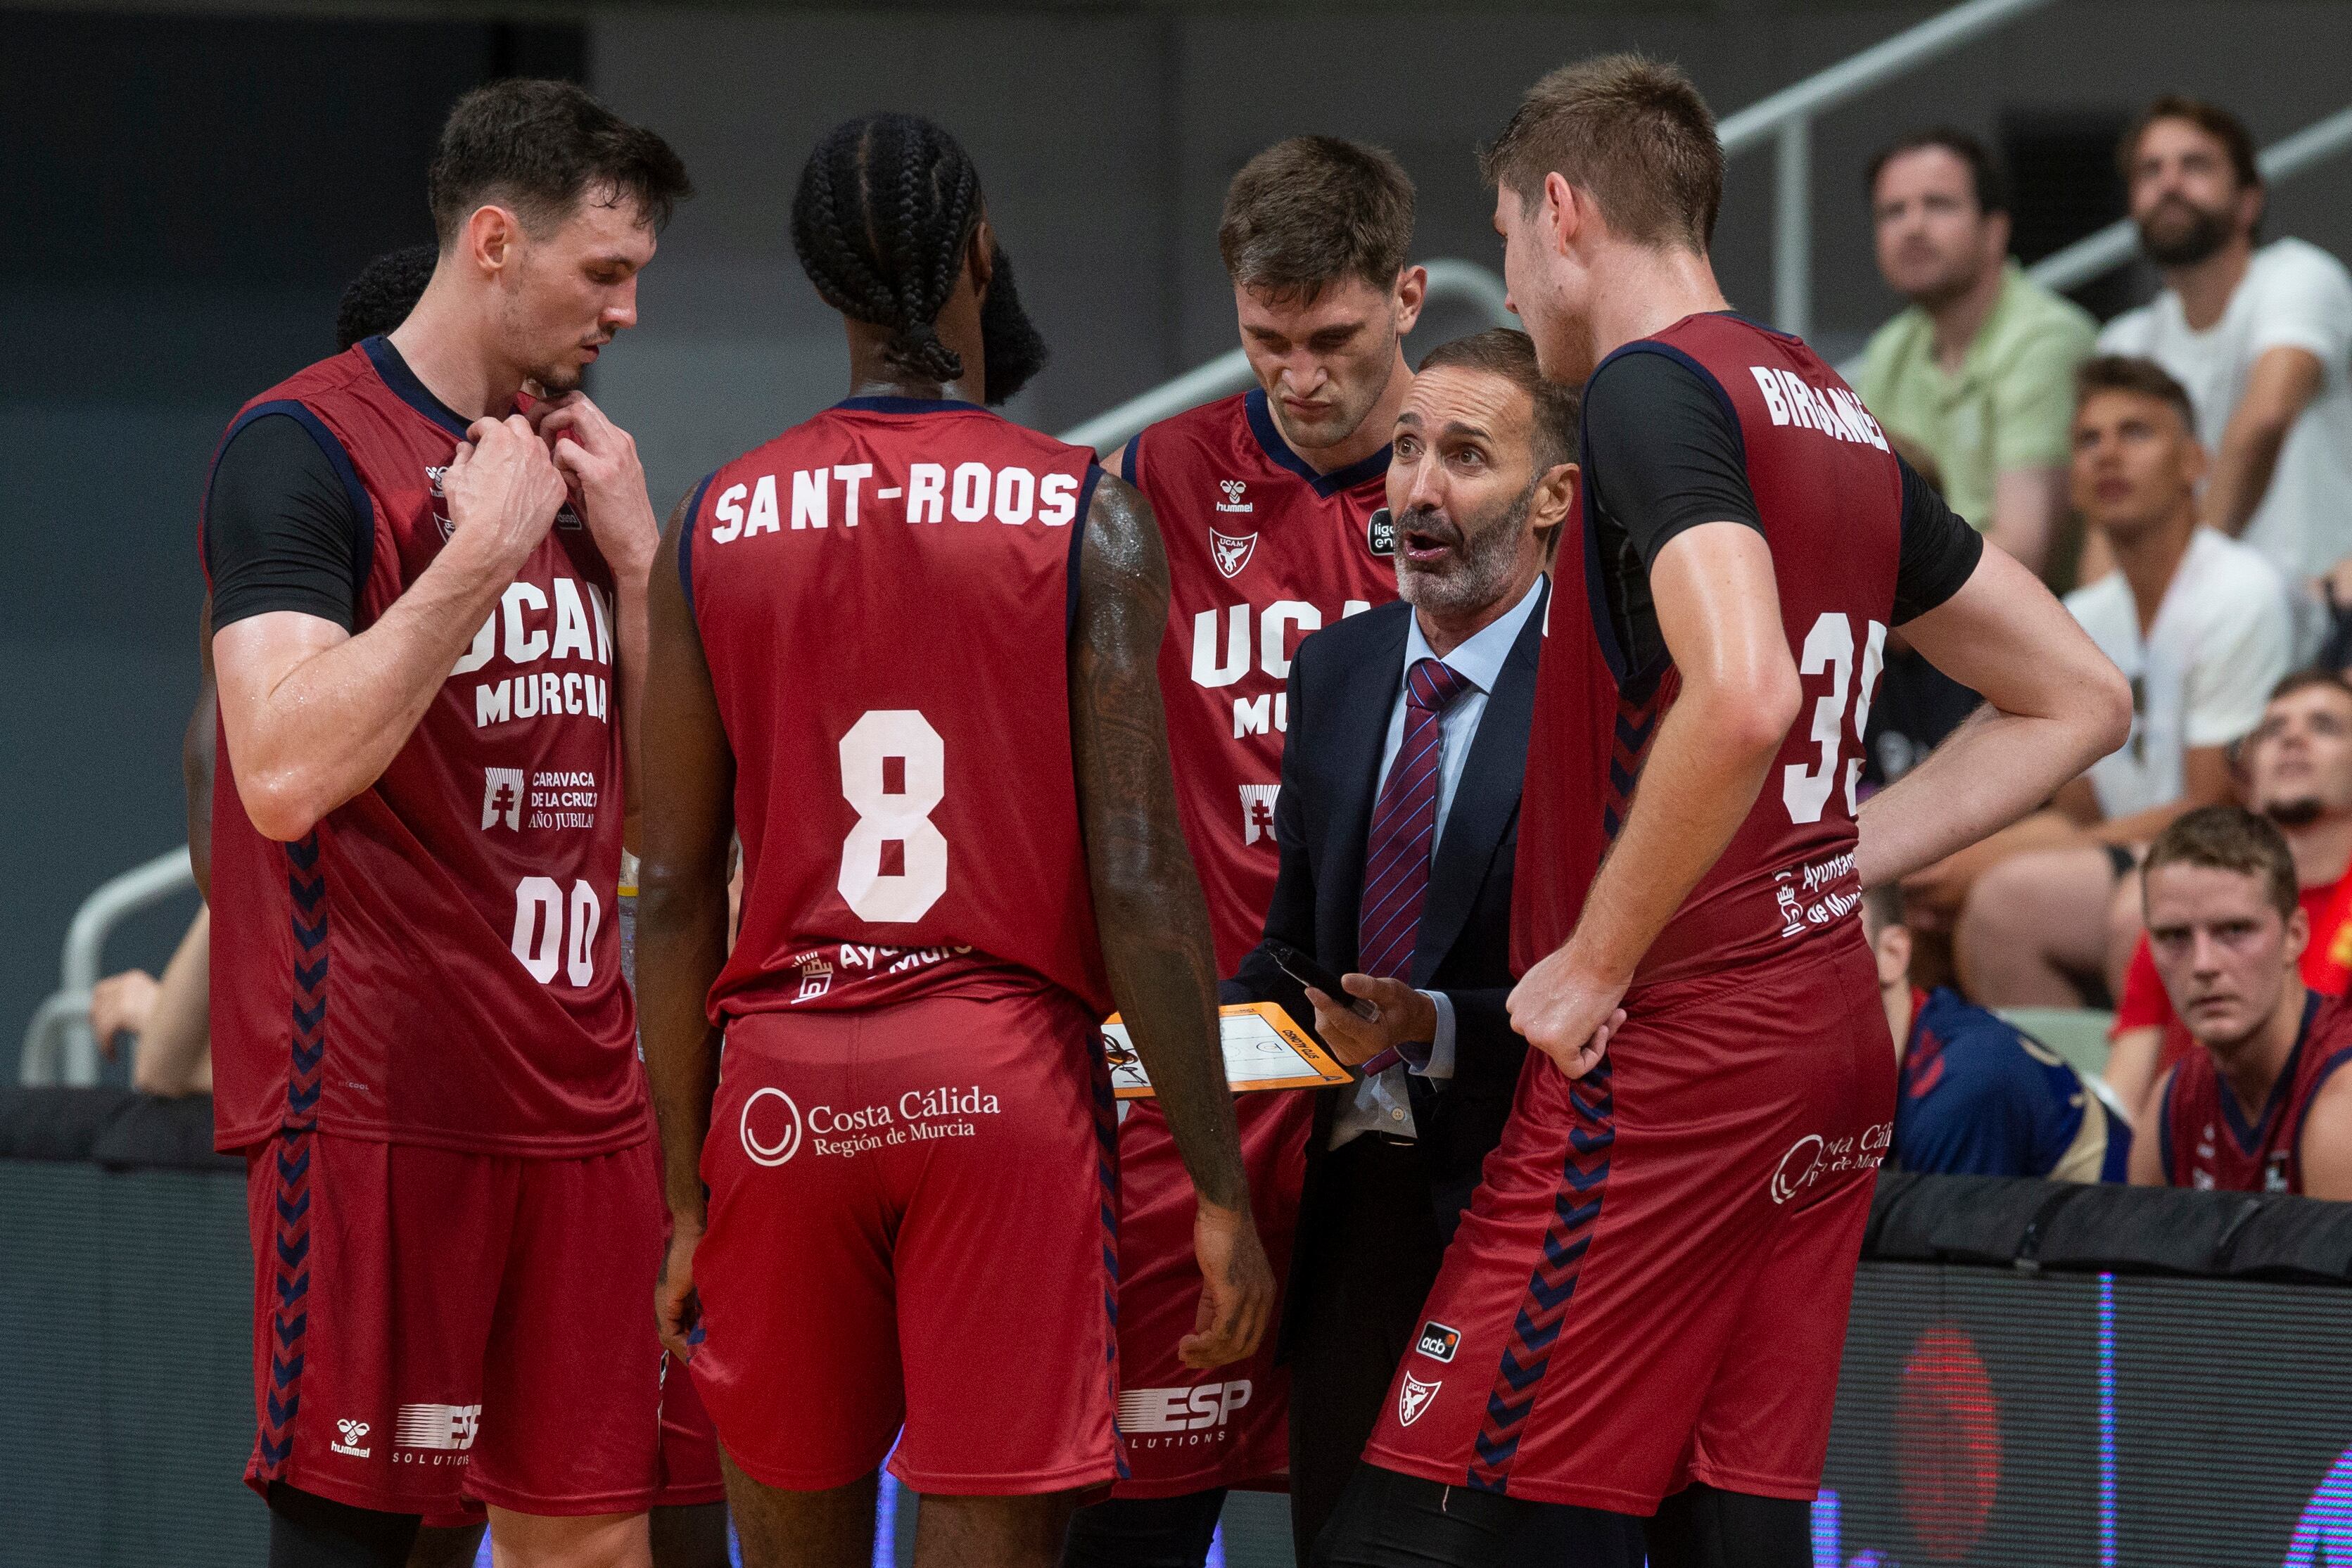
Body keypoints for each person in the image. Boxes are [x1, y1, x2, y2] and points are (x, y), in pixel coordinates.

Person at [1316, 54, 2128, 1568]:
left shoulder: (1645, 385)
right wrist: (1834, 858)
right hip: (1827, 1041)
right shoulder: (1825, 397)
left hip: (1678, 1051)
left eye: (1503, 234)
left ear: (1561, 210)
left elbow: (1746, 690)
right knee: (1726, 1508)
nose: (1507, 273)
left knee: (1411, 1526)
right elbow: (2081, 693)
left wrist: (1598, 954)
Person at [634, 113, 1273, 1568]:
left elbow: (669, 890)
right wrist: (1219, 1184)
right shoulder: (1083, 513)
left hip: (783, 1090)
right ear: (980, 251)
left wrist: (683, 1195)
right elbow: (1139, 877)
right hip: (996, 1081)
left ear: (822, 286)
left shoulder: (716, 517)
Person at [204, 80, 698, 1568]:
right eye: (602, 274)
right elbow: (282, 766)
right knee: (358, 1540)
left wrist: (637, 571)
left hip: (582, 1100)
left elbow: (679, 812)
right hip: (381, 1101)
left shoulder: (571, 469)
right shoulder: (299, 444)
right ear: (494, 241)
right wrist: (474, 559)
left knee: (596, 1545)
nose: (625, 314)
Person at [1214, 329, 1638, 1564]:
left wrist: (1434, 1023)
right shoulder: (1336, 669)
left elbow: (1628, 985)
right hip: (1356, 1210)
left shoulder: (1609, 687)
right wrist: (1140, 1066)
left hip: (1535, 1211)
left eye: (1463, 454)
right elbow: (1291, 963)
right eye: (1406, 448)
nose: (1416, 488)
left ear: (1554, 494)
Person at [1063, 135, 1423, 1568]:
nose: (1301, 376)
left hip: (1404, 1078)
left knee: (1375, 1514)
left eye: (1333, 338)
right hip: (1207, 1066)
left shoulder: (1473, 474)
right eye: (1267, 340)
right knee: (1143, 1509)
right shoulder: (1154, 473)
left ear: (1405, 294)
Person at [1943, 357, 2291, 1006]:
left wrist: (1998, 858)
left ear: (2194, 462)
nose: (2107, 454)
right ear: (2070, 482)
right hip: (2128, 848)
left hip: (2232, 852)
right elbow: (2080, 811)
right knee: (1928, 885)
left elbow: (2212, 805)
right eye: (2087, 440)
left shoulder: (2241, 589)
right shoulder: (2080, 615)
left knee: (2002, 897)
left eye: (2135, 432)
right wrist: (1957, 856)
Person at [2098, 96, 2352, 624]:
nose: (2168, 183)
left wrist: (2185, 595)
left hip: (2320, 625)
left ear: (2247, 202)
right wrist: (2101, 631)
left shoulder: (2297, 276)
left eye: (2194, 165)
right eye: (2150, 170)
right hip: (2187, 637)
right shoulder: (2124, 341)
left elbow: (2265, 419)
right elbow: (2106, 515)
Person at [1855, 127, 2096, 580]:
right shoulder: (1890, 348)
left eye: (1939, 205)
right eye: (1892, 211)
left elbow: (2024, 553)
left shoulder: (2048, 338)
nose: (1913, 226)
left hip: (2030, 629)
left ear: (1995, 231)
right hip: (1927, 619)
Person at [2109, 671, 2352, 1117]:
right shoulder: (2185, 912)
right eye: (2273, 729)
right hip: (2183, 1154)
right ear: (2247, 777)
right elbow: (2123, 1095)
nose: (2293, 738)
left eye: (2324, 726)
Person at [2128, 805, 2352, 1197]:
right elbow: (2121, 1259)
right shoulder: (2173, 1101)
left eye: (2234, 930)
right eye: (2175, 936)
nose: (2203, 965)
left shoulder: (2342, 1102)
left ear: (2295, 935)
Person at [1862, 885, 2116, 1181]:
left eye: (1824, 940)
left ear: (1892, 953)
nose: (1801, 973)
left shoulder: (1964, 1084)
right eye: (1792, 944)